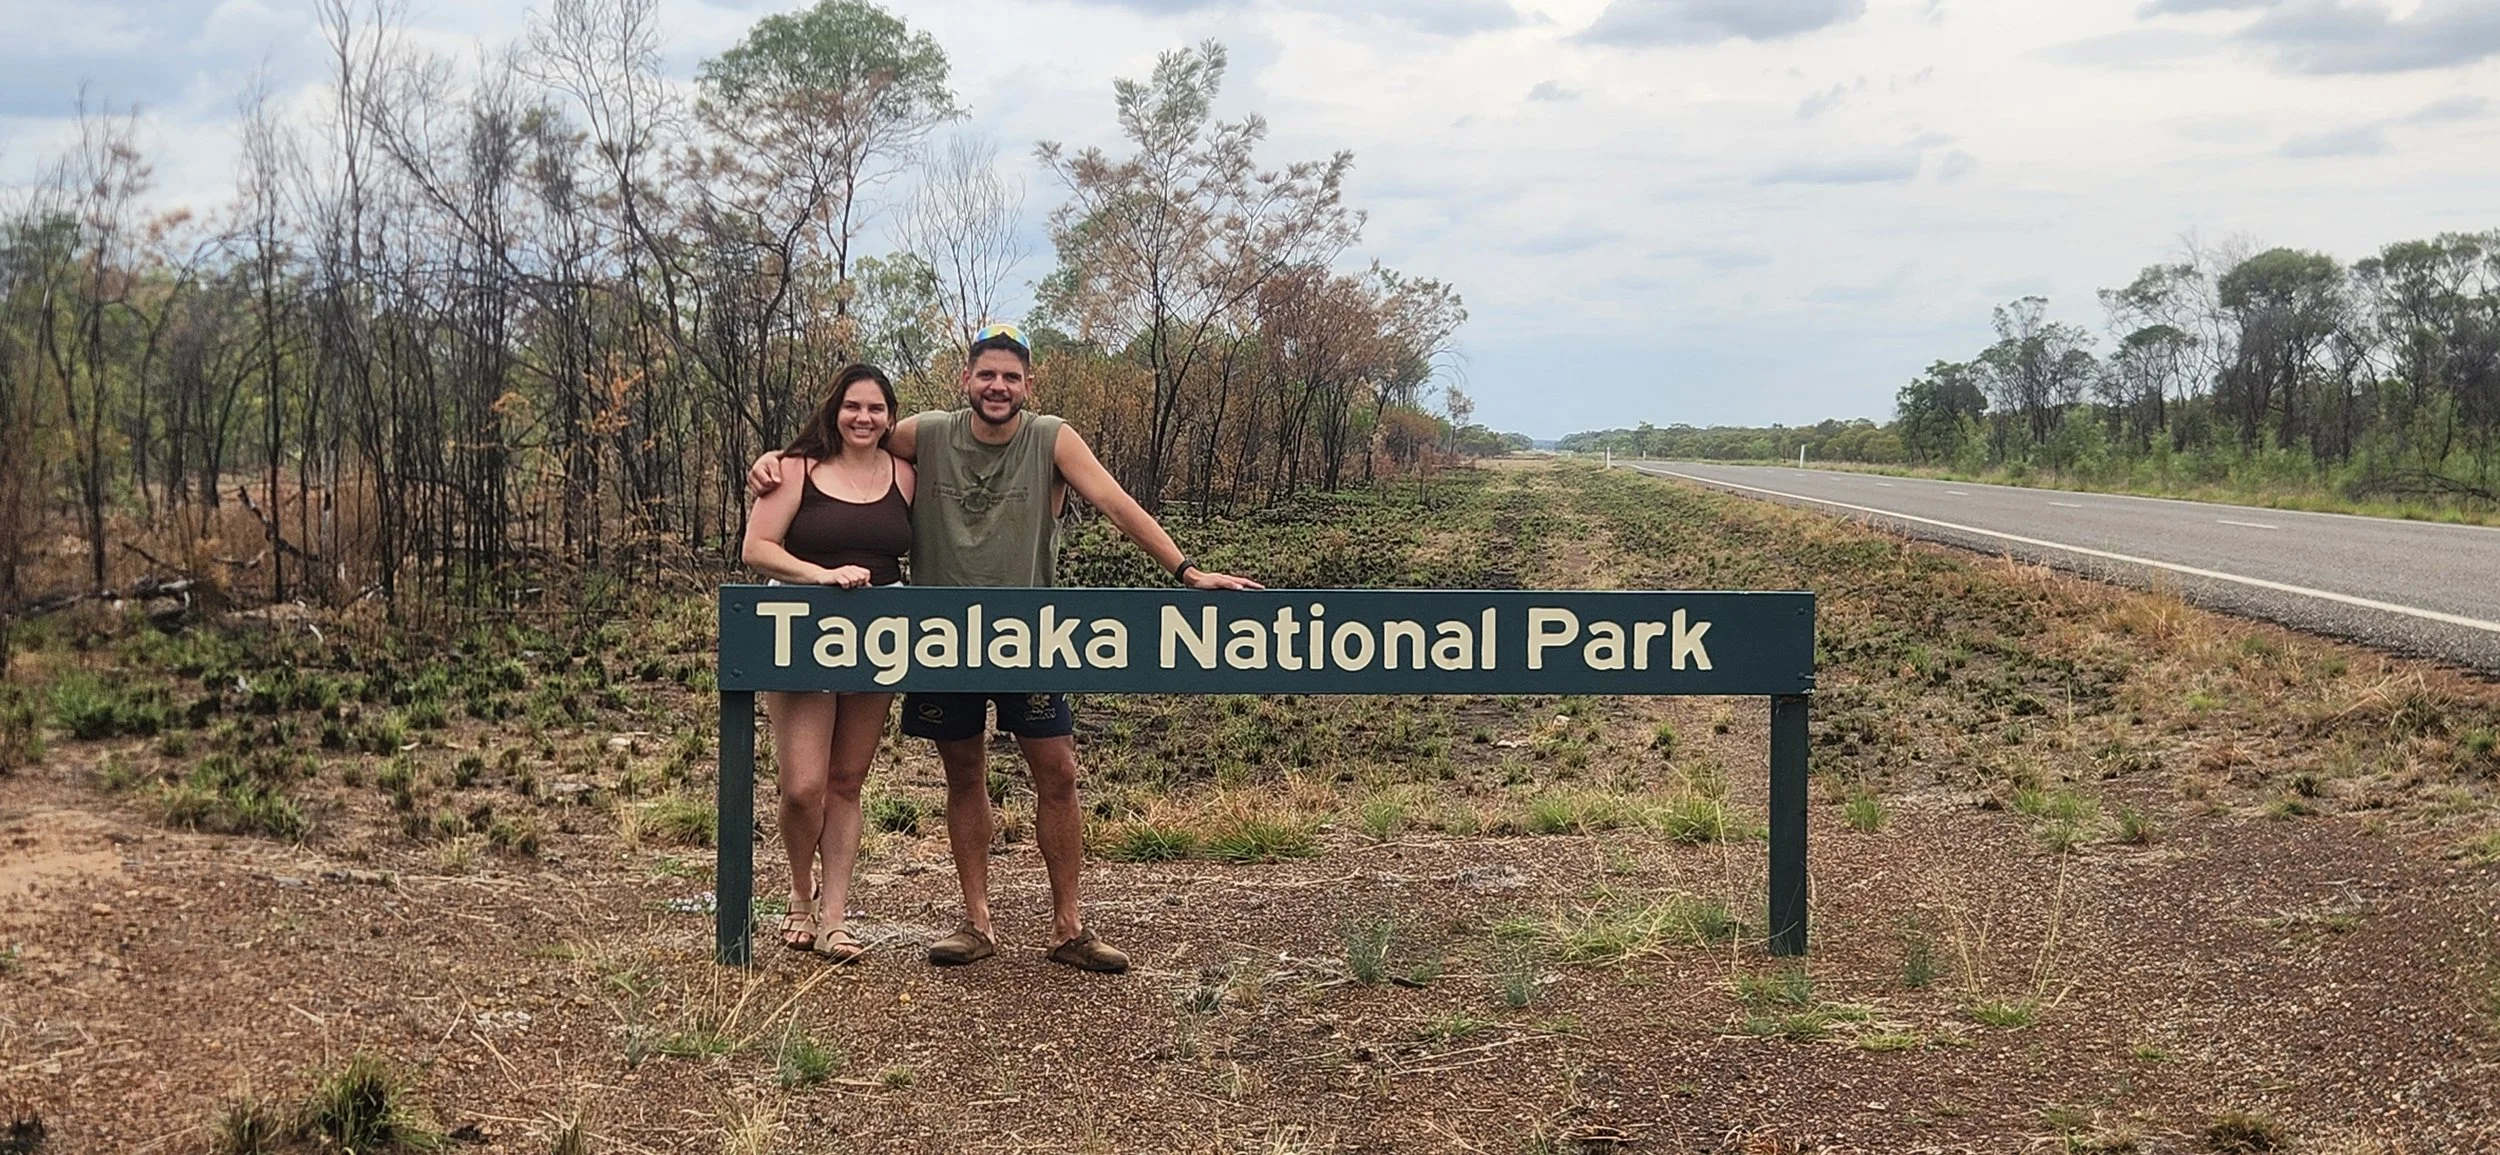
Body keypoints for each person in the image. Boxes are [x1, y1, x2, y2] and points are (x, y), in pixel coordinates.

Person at [748, 322, 1259, 973]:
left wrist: (1185, 570)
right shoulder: (926, 433)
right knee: (963, 773)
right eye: (986, 374)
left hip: (1029, 634)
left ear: (1028, 384)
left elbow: (1116, 502)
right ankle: (975, 921)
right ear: (965, 379)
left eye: (1011, 377)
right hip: (942, 638)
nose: (997, 386)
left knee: (1059, 770)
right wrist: (772, 458)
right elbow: (848, 434)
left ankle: (1069, 926)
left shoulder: (1052, 437)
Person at [739, 363, 916, 964]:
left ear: (891, 417)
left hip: (878, 640)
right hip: (799, 632)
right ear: (833, 411)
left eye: (875, 409)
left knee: (845, 783)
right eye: (852, 407)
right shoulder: (793, 469)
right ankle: (798, 892)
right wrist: (824, 577)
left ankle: (835, 916)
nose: (863, 418)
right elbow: (756, 548)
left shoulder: (907, 475)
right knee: (802, 787)